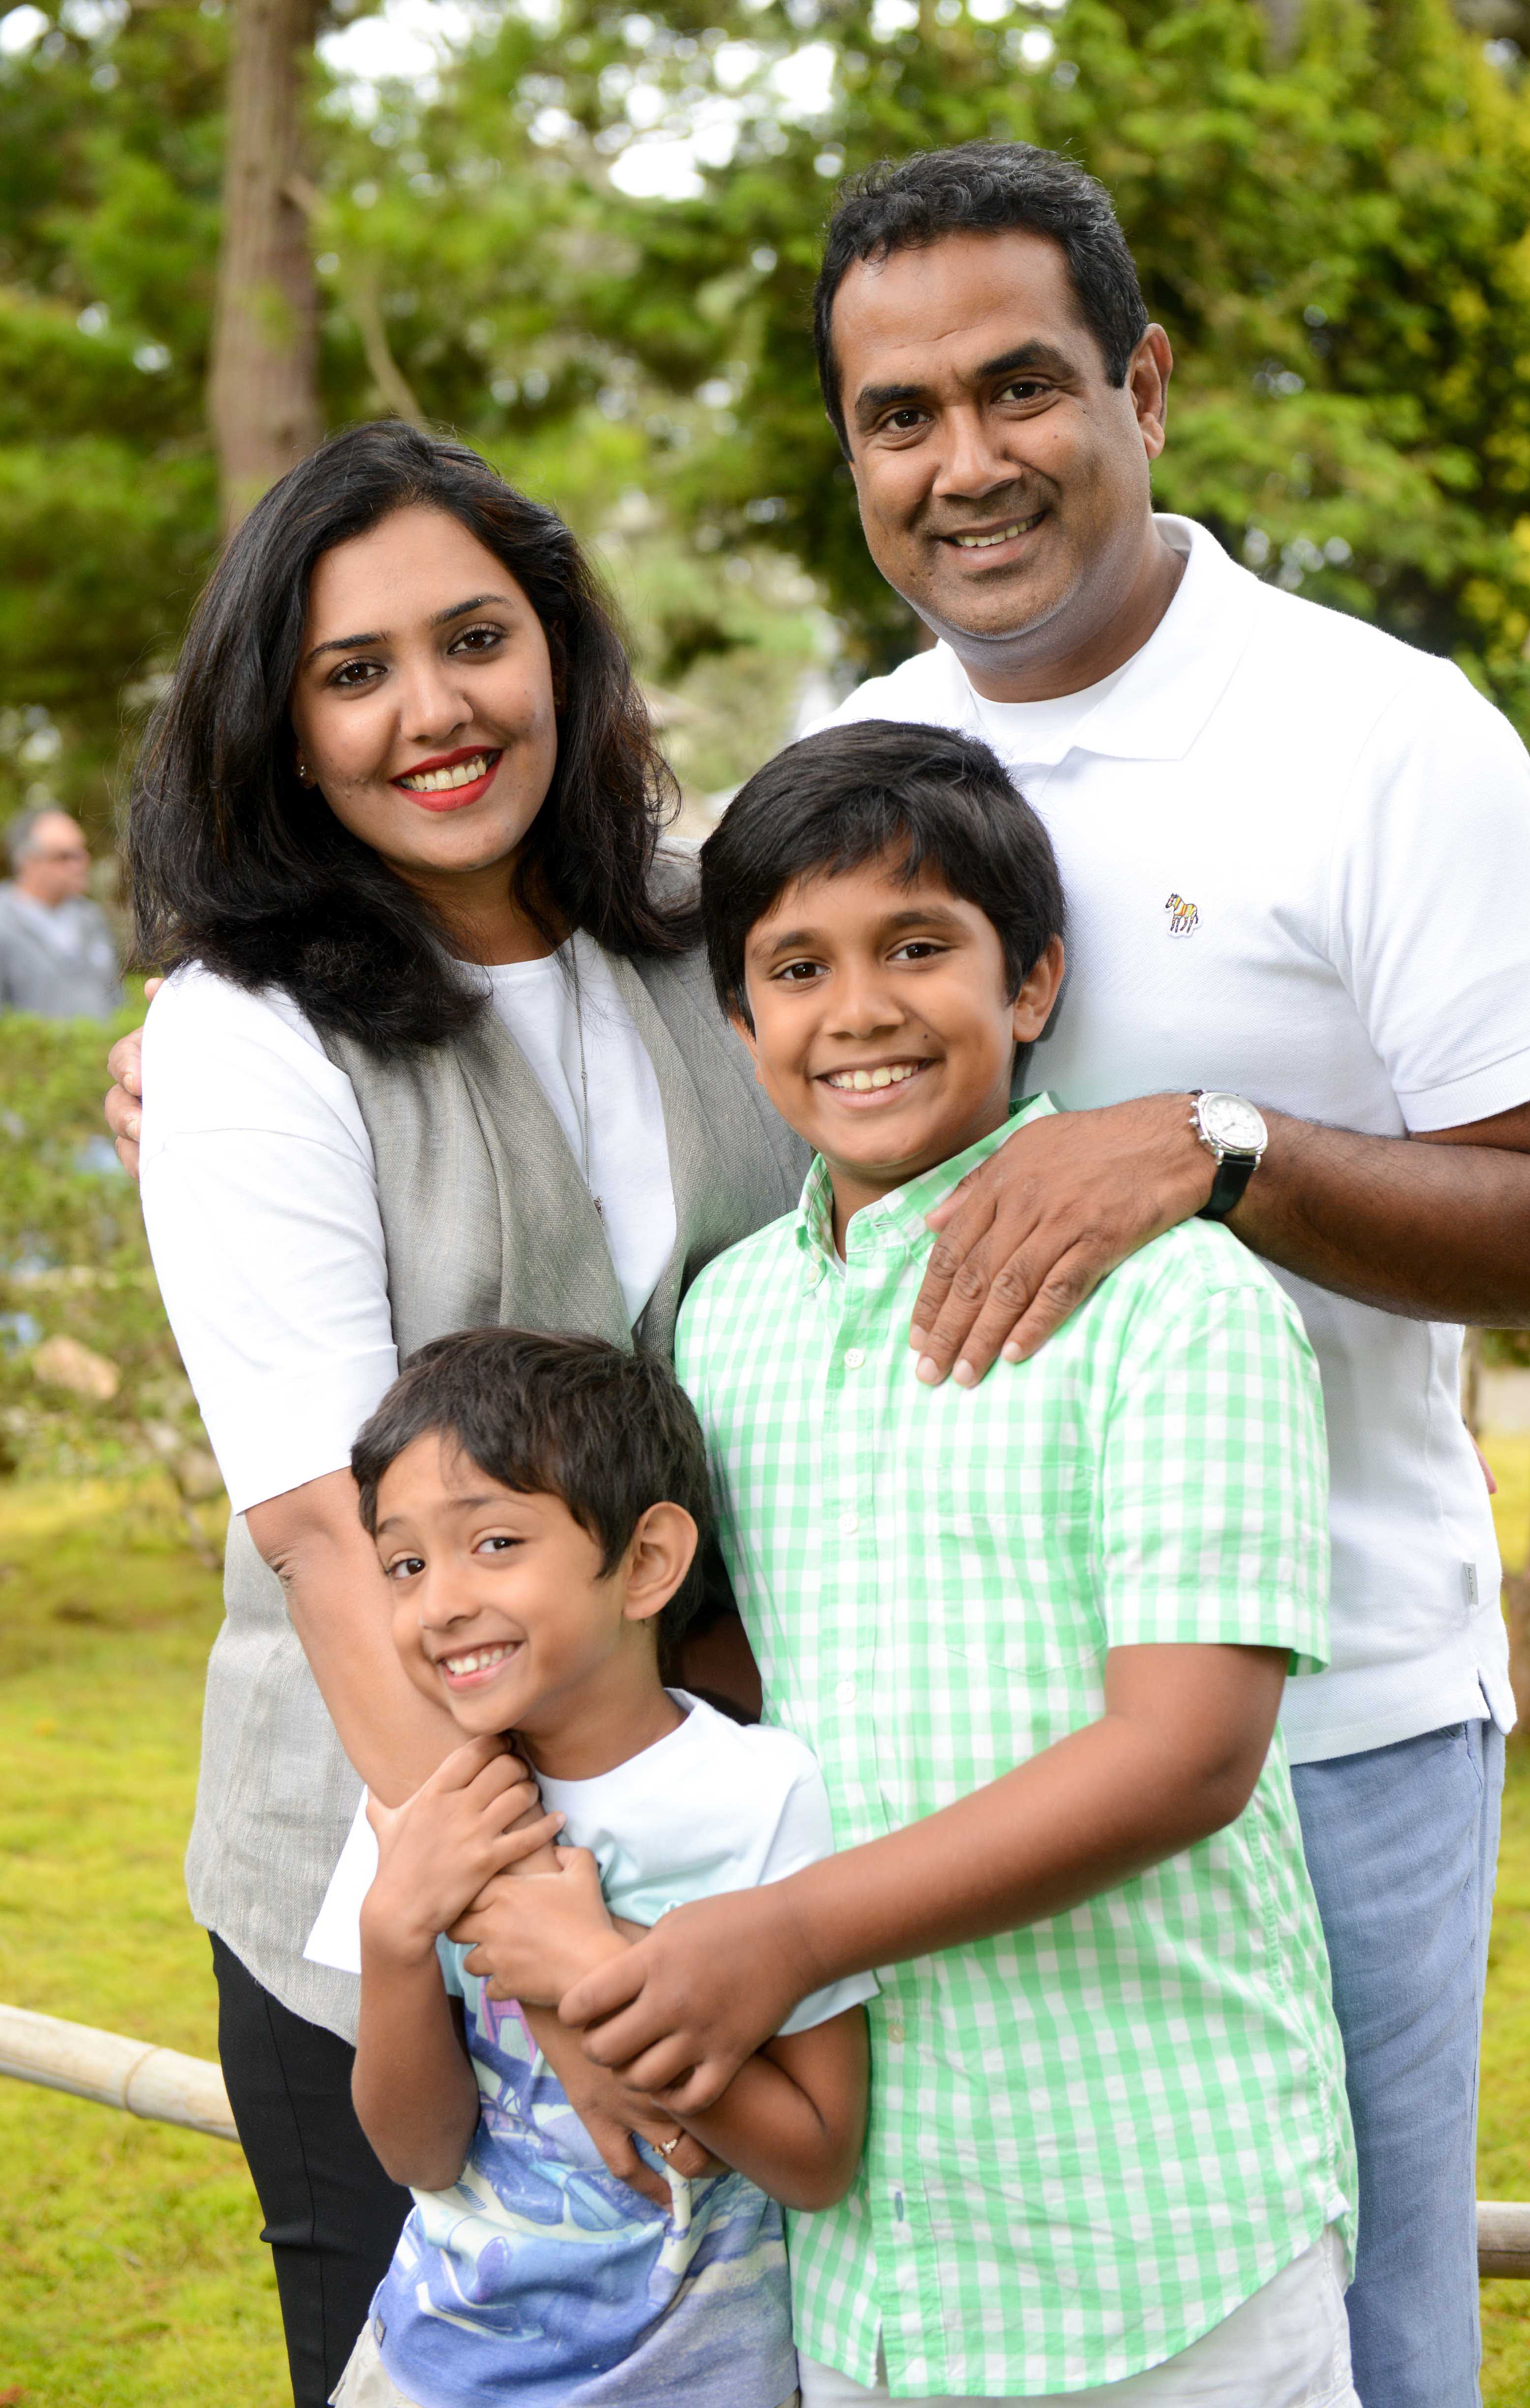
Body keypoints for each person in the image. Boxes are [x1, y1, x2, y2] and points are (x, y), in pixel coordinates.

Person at [114, 418, 1066, 2408]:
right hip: (405, 1897)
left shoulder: (698, 919)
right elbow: (315, 1528)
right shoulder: (243, 1032)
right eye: (351, 674)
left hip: (740, 1847)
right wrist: (541, 1947)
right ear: (280, 732)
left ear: (559, 649)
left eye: (475, 639)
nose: (431, 711)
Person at [790, 144, 1530, 2407]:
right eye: (896, 414)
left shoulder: (1383, 738)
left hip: (1321, 1738)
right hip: (932, 1758)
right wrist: (252, 1034)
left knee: (1348, 2339)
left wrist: (1221, 1149)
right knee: (975, 2334)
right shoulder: (838, 762)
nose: (964, 463)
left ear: (1144, 387)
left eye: (1019, 388)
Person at [492, 719, 1358, 2407]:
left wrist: (782, 1933)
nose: (858, 1008)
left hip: (1154, 2214)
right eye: (793, 967)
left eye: (915, 945)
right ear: (738, 1021)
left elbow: (1186, 1753)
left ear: (1027, 981)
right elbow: (723, 1661)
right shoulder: (728, 1316)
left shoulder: (1174, 1301)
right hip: (870, 2241)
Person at [317, 1327, 869, 2408]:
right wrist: (392, 1937)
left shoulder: (760, 1798)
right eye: (406, 1565)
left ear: (648, 1563)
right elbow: (419, 2155)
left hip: (693, 2380)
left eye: (494, 1544)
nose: (438, 1605)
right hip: (432, 2369)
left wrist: (595, 1977)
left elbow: (814, 2157)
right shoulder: (423, 1810)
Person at [0, 804, 123, 1017]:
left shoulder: (91, 917)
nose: (81, 864)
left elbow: (117, 999)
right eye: (64, 857)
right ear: (28, 862)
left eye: (83, 852)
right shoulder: (6, 921)